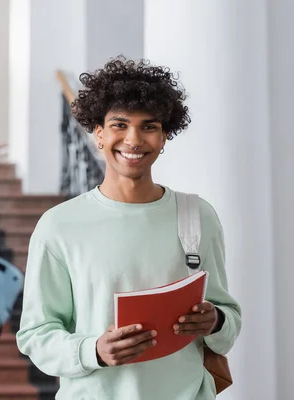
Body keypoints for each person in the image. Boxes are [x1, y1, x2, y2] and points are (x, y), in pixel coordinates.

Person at [16, 56, 242, 399]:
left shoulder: (197, 216)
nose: (133, 139)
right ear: (99, 134)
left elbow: (228, 317)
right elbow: (36, 333)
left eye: (149, 126)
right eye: (120, 125)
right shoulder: (59, 226)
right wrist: (93, 350)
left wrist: (215, 321)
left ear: (164, 136)